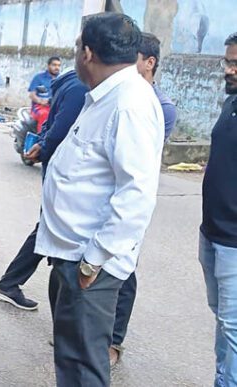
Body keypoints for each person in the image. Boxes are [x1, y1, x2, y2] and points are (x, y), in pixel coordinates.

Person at [38, 13, 163, 386]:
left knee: (84, 365)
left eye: (77, 47)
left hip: (90, 264)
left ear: (87, 53)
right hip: (72, 254)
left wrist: (94, 260)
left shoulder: (129, 104)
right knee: (71, 358)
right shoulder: (107, 95)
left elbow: (137, 195)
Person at [109, 31, 179, 367]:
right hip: (107, 201)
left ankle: (114, 341)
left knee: (124, 271)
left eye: (132, 58)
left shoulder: (158, 106)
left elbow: (138, 166)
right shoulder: (119, 94)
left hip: (130, 201)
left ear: (149, 63)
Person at [0, 70, 88, 310]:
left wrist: (43, 143)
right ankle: (11, 283)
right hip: (64, 171)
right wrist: (44, 145)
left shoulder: (71, 82)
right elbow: (62, 126)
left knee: (47, 226)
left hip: (60, 168)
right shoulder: (79, 87)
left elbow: (52, 122)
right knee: (50, 228)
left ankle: (10, 282)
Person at [199, 31, 237, 387]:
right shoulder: (231, 102)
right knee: (223, 321)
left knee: (233, 326)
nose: (230, 69)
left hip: (235, 243)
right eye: (228, 61)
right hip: (212, 233)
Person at [28, 56, 62, 132]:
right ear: (48, 65)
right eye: (54, 65)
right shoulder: (38, 78)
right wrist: (41, 101)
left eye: (59, 65)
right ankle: (41, 138)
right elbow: (32, 95)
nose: (57, 67)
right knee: (45, 115)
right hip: (40, 107)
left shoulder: (61, 79)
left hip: (55, 106)